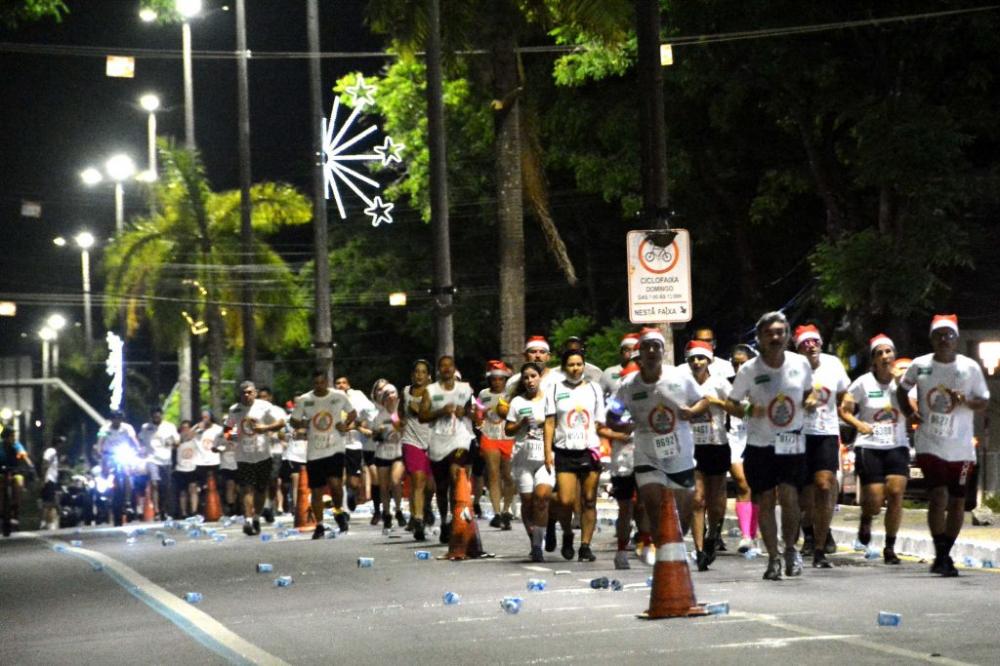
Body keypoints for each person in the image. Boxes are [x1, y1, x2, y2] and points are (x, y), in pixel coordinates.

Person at [897, 315, 989, 577]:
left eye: (949, 335)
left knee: (958, 501)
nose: (944, 339)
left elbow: (982, 401)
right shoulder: (920, 365)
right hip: (930, 442)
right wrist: (909, 413)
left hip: (960, 447)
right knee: (938, 496)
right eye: (939, 334)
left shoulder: (969, 367)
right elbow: (902, 390)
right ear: (932, 338)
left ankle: (945, 552)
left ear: (956, 339)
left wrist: (966, 401)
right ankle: (939, 551)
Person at [728, 312, 816, 581]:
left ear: (788, 335)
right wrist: (748, 409)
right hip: (760, 443)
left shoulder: (800, 363)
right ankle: (773, 558)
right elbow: (732, 405)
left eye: (780, 332)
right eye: (769, 333)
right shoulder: (749, 370)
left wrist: (810, 401)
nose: (775, 337)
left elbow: (809, 392)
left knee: (790, 498)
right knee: (765, 500)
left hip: (791, 439)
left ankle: (790, 549)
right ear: (760, 338)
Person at [617, 329, 709, 567]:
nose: (651, 351)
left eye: (656, 347)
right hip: (647, 452)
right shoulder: (628, 384)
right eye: (646, 347)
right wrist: (621, 423)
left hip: (679, 452)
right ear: (640, 352)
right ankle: (664, 552)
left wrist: (692, 411)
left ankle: (677, 543)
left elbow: (704, 401)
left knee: (684, 512)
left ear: (662, 351)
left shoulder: (680, 377)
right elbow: (611, 412)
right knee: (653, 502)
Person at [839, 334, 910, 565]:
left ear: (894, 355)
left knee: (897, 493)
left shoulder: (905, 381)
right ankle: (867, 517)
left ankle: (890, 547)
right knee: (875, 500)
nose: (885, 356)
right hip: (869, 446)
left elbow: (914, 410)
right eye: (879, 353)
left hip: (897, 443)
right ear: (874, 361)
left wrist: (901, 386)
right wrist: (859, 424)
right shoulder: (863, 383)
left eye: (888, 352)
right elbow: (845, 409)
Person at [544, 348, 617, 562]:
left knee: (589, 500)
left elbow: (599, 421)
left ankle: (585, 545)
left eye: (579, 364)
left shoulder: (594, 389)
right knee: (566, 500)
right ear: (564, 367)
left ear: (583, 366)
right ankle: (567, 533)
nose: (575, 369)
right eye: (571, 365)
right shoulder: (555, 389)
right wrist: (548, 452)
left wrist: (603, 445)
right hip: (564, 451)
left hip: (589, 449)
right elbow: (549, 422)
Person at [793, 324, 850, 568]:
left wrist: (846, 411)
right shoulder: (791, 369)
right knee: (805, 497)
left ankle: (819, 549)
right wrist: (802, 403)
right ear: (798, 349)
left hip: (826, 432)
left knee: (825, 486)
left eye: (814, 341)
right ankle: (811, 533)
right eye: (805, 343)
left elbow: (845, 393)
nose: (811, 346)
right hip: (798, 434)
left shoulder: (833, 364)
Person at [682, 340, 735, 571]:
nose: (696, 362)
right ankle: (700, 548)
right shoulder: (682, 383)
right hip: (692, 446)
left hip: (717, 443)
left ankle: (713, 533)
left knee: (716, 500)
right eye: (692, 358)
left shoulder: (720, 383)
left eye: (701, 358)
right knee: (697, 499)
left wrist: (717, 402)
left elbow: (740, 409)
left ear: (709, 360)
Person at [291, 370, 356, 539]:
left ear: (327, 382)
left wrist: (346, 424)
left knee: (335, 484)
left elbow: (352, 412)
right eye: (316, 383)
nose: (319, 386)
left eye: (322, 382)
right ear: (313, 384)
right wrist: (301, 423)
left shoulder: (339, 396)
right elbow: (293, 420)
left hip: (335, 447)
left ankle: (339, 511)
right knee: (317, 490)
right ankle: (319, 525)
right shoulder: (305, 400)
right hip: (314, 451)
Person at [420, 355, 475, 545]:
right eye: (442, 366)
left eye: (449, 366)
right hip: (438, 441)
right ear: (438, 370)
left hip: (460, 439)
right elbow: (422, 415)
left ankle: (455, 519)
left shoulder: (465, 389)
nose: (446, 369)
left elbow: (476, 411)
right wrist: (441, 411)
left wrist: (466, 412)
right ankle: (444, 521)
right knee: (441, 488)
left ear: (454, 368)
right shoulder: (431, 390)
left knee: (456, 474)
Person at [505, 362, 556, 561]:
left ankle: (537, 544)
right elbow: (508, 429)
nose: (529, 381)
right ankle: (535, 540)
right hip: (522, 458)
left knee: (542, 498)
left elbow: (555, 423)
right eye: (526, 377)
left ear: (539, 377)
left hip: (544, 458)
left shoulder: (549, 400)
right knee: (527, 502)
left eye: (533, 376)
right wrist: (521, 424)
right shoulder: (517, 402)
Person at [224, 381, 286, 536]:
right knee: (246, 489)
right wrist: (233, 439)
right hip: (243, 456)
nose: (247, 395)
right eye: (244, 392)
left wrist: (265, 428)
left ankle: (257, 517)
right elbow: (228, 428)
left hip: (263, 455)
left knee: (260, 489)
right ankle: (248, 520)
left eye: (250, 392)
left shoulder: (264, 406)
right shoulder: (235, 409)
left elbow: (281, 422)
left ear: (255, 392)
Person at [605, 364, 639, 569]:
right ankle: (621, 550)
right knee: (625, 508)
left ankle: (647, 541)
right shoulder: (617, 400)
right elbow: (606, 423)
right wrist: (622, 429)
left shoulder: (652, 395)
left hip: (647, 458)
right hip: (623, 462)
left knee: (645, 504)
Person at [477, 360, 516, 530]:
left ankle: (507, 509)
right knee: (493, 474)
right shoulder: (483, 394)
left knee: (508, 476)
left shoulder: (512, 394)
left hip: (508, 437)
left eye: (500, 378)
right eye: (494, 378)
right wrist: (480, 415)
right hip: (489, 436)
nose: (497, 382)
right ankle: (497, 512)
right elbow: (476, 414)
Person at [727, 344, 759, 553]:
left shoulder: (760, 382)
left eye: (743, 363)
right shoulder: (727, 385)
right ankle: (745, 536)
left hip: (757, 438)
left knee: (758, 488)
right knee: (743, 484)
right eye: (735, 363)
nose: (739, 367)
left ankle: (754, 534)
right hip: (734, 439)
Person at [400, 360, 435, 541]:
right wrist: (403, 422)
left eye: (423, 372)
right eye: (416, 372)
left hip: (432, 442)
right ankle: (418, 519)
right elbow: (399, 413)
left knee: (430, 486)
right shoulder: (405, 392)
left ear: (429, 375)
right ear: (412, 375)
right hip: (411, 441)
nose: (419, 375)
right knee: (418, 480)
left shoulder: (436, 392)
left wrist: (422, 411)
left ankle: (426, 506)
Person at [335, 376, 379, 519]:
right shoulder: (331, 398)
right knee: (339, 478)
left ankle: (352, 494)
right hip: (336, 444)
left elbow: (371, 414)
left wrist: (360, 425)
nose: (340, 385)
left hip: (354, 443)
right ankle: (344, 511)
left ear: (348, 384)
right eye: (338, 383)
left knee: (353, 482)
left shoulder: (357, 396)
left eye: (343, 383)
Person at [371, 380, 406, 532]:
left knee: (395, 480)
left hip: (398, 452)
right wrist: (378, 433)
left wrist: (396, 420)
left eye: (392, 393)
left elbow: (405, 430)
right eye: (387, 395)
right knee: (384, 486)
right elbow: (374, 437)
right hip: (382, 453)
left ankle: (398, 509)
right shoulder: (378, 416)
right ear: (383, 399)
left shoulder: (402, 412)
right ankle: (386, 513)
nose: (390, 397)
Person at [138, 407, 180, 520]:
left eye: (158, 416)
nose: (156, 418)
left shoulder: (169, 427)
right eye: (154, 416)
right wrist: (141, 450)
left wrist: (172, 442)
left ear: (161, 415)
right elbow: (140, 440)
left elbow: (177, 441)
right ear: (151, 417)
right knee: (154, 483)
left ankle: (164, 509)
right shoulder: (146, 428)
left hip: (166, 460)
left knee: (165, 487)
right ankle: (156, 510)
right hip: (151, 459)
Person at [256, 387, 287, 523]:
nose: (263, 399)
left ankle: (270, 503)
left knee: (273, 480)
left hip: (275, 450)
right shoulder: (254, 411)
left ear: (270, 397)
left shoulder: (278, 411)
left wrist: (274, 432)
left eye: (265, 396)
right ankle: (264, 508)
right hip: (259, 450)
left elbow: (283, 431)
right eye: (260, 397)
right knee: (261, 480)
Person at [1, 427, 35, 530]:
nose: (14, 438)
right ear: (6, 437)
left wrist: (30, 467)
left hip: (14, 471)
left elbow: (25, 458)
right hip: (1, 472)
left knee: (19, 482)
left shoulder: (16, 446)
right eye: (12, 436)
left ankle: (15, 508)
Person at [193, 410, 222, 516]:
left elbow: (229, 439)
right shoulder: (197, 430)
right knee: (201, 487)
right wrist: (196, 427)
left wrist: (220, 448)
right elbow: (186, 437)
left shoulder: (218, 429)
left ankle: (219, 510)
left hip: (215, 461)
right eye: (202, 417)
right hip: (200, 462)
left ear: (211, 418)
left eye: (206, 417)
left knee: (217, 486)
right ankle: (201, 511)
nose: (204, 419)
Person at [173, 420, 199, 518]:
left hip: (192, 468)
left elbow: (198, 428)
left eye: (187, 428)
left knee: (193, 489)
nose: (185, 430)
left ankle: (194, 511)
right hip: (181, 469)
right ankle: (183, 512)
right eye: (183, 428)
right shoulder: (178, 441)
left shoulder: (195, 440)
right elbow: (173, 445)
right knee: (183, 492)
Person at [39, 437, 62, 530]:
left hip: (51, 479)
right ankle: (45, 522)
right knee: (48, 502)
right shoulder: (51, 451)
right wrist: (43, 479)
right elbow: (45, 463)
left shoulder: (54, 453)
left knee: (49, 502)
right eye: (61, 444)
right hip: (49, 479)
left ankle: (46, 522)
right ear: (58, 444)